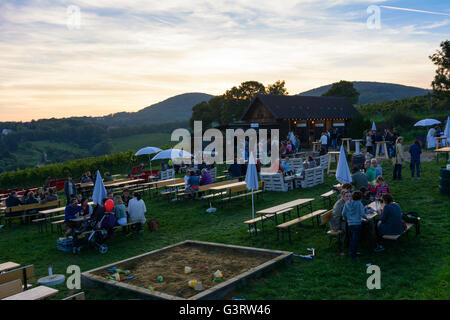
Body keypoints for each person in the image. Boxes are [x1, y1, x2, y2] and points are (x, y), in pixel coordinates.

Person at [342, 191, 368, 258]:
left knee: (352, 239)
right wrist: (367, 219)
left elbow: (343, 213)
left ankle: (353, 252)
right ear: (360, 198)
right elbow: (362, 214)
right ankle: (353, 255)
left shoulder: (347, 203)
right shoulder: (359, 203)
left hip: (350, 224)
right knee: (355, 240)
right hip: (357, 224)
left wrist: (346, 219)